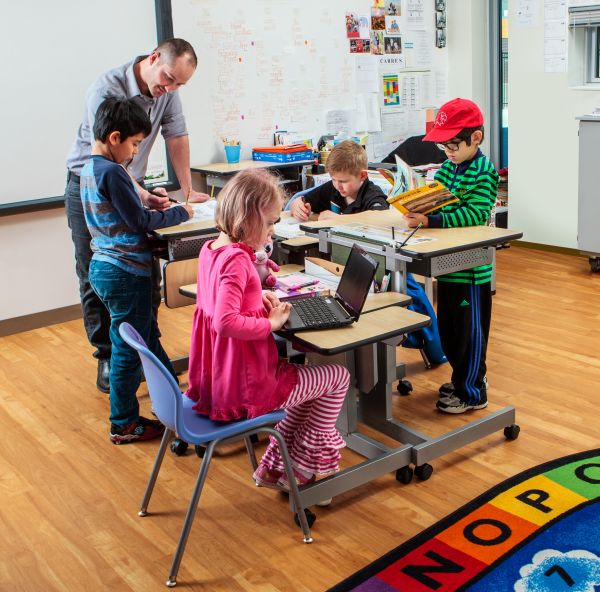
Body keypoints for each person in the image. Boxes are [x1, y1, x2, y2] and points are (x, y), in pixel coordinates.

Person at [185, 169, 350, 489]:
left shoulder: (211, 249)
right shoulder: (237, 260)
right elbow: (225, 321)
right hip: (247, 385)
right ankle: (302, 467)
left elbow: (218, 300)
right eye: (271, 222)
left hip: (217, 380)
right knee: (338, 377)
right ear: (248, 221)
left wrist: (255, 295)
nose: (274, 231)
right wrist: (269, 323)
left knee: (306, 392)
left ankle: (276, 465)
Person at [65, 38, 209, 395]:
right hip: (91, 182)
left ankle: (142, 349)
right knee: (96, 271)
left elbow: (177, 137)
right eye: (168, 78)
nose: (170, 88)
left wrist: (187, 192)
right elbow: (109, 157)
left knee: (141, 271)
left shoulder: (168, 90)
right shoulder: (107, 88)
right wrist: (144, 196)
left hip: (131, 183)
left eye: (179, 85)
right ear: (154, 57)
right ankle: (109, 357)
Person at [80, 96, 193, 443]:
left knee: (145, 338)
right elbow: (140, 222)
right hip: (125, 272)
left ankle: (173, 401)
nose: (134, 152)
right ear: (115, 138)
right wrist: (180, 212)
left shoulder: (90, 167)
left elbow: (128, 210)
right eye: (134, 144)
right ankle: (124, 421)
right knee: (128, 348)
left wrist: (150, 198)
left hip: (105, 266)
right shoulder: (112, 171)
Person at [404, 98, 499, 414]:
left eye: (455, 145)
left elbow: (476, 212)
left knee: (469, 336)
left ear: (476, 138)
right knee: (450, 330)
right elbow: (438, 202)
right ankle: (462, 380)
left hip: (471, 271)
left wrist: (433, 219)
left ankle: (472, 392)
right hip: (446, 267)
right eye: (445, 147)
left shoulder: (484, 172)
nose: (449, 152)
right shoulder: (446, 169)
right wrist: (419, 205)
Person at [290, 140, 388, 222]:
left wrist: (339, 219)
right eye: (333, 179)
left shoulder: (372, 194)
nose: (338, 186)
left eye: (343, 181)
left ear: (362, 175)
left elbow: (380, 217)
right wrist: (297, 204)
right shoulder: (333, 188)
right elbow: (303, 200)